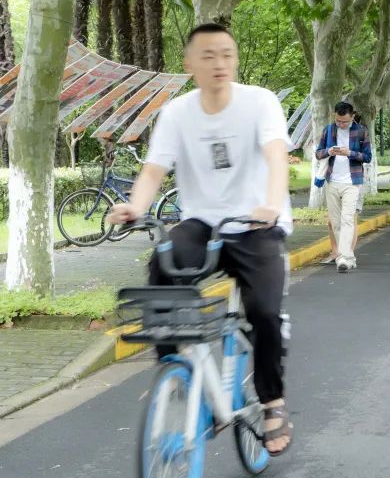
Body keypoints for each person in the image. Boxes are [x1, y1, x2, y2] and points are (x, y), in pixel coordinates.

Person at [107, 23, 294, 455]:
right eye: (208, 56)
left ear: (236, 59)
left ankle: (273, 400)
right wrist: (136, 206)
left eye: (227, 54)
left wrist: (269, 203)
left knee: (264, 311)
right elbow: (155, 168)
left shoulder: (259, 102)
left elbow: (275, 155)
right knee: (162, 265)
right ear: (189, 64)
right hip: (202, 223)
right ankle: (175, 372)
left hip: (253, 224)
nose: (219, 63)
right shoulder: (178, 112)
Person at [315, 101, 372, 272]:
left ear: (352, 116)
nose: (341, 124)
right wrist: (329, 151)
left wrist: (350, 153)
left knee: (348, 219)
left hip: (352, 182)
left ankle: (344, 258)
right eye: (339, 121)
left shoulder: (361, 131)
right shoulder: (329, 130)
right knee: (336, 222)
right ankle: (347, 257)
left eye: (345, 121)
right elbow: (318, 153)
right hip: (332, 181)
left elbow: (368, 157)